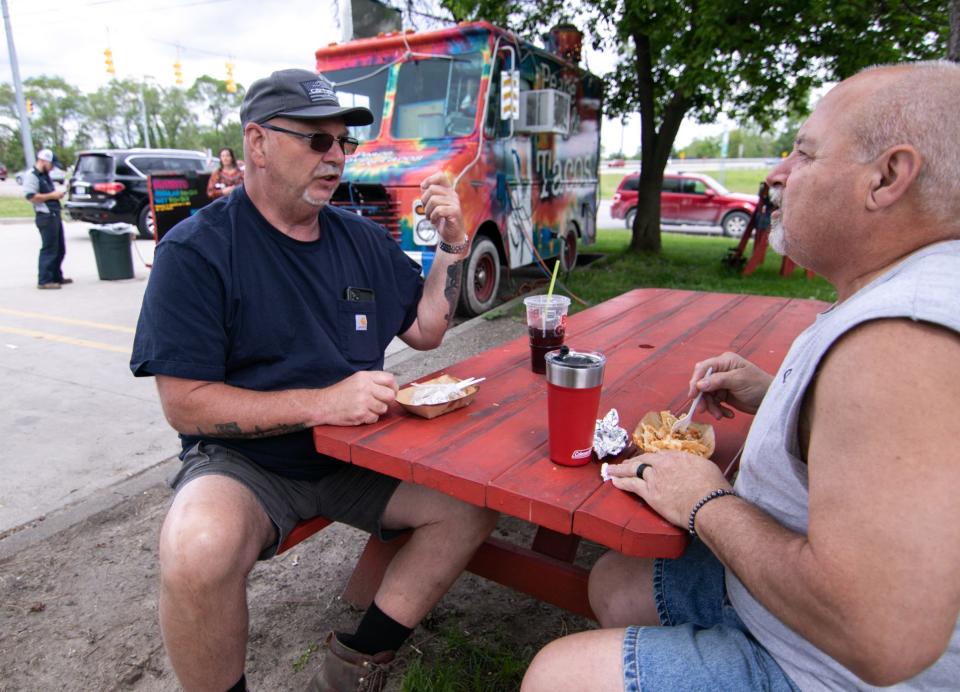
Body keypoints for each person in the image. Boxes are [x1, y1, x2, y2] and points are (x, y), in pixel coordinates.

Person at [523, 60, 960, 691]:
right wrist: (780, 397)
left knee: (552, 677)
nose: (777, 174)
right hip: (788, 609)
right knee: (614, 580)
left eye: (804, 155)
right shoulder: (909, 292)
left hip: (831, 669)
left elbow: (880, 638)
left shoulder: (902, 339)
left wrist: (705, 502)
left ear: (887, 178)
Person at [130, 68, 497, 692]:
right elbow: (185, 405)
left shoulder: (360, 238)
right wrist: (323, 403)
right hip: (249, 463)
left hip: (357, 453)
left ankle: (356, 661)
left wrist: (454, 247)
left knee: (477, 499)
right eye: (316, 141)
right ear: (257, 143)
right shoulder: (196, 251)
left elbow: (427, 329)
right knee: (195, 549)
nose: (335, 158)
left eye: (343, 143)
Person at [23, 148, 69, 289]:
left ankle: (56, 276)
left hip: (54, 214)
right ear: (43, 161)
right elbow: (31, 196)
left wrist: (60, 192)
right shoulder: (33, 175)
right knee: (49, 249)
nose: (52, 167)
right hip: (45, 216)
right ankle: (44, 280)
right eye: (51, 164)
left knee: (59, 248)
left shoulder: (45, 175)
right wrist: (52, 196)